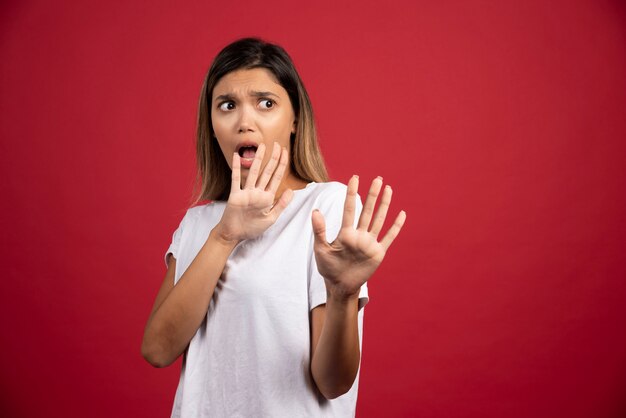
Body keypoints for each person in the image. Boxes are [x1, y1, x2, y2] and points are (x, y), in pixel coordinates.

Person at [141, 38, 406, 418]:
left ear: (295, 119)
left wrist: (344, 292)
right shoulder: (199, 225)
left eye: (266, 103)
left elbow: (333, 384)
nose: (245, 121)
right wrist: (225, 235)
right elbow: (157, 350)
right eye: (227, 105)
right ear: (212, 124)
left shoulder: (324, 208)